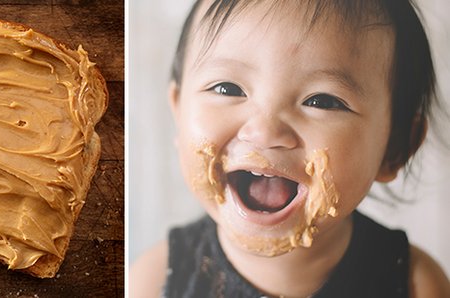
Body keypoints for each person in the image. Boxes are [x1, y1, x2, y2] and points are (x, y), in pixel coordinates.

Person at [131, 0, 450, 297]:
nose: (264, 131)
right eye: (227, 88)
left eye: (323, 101)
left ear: (396, 147)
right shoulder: (153, 281)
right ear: (178, 113)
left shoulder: (416, 285)